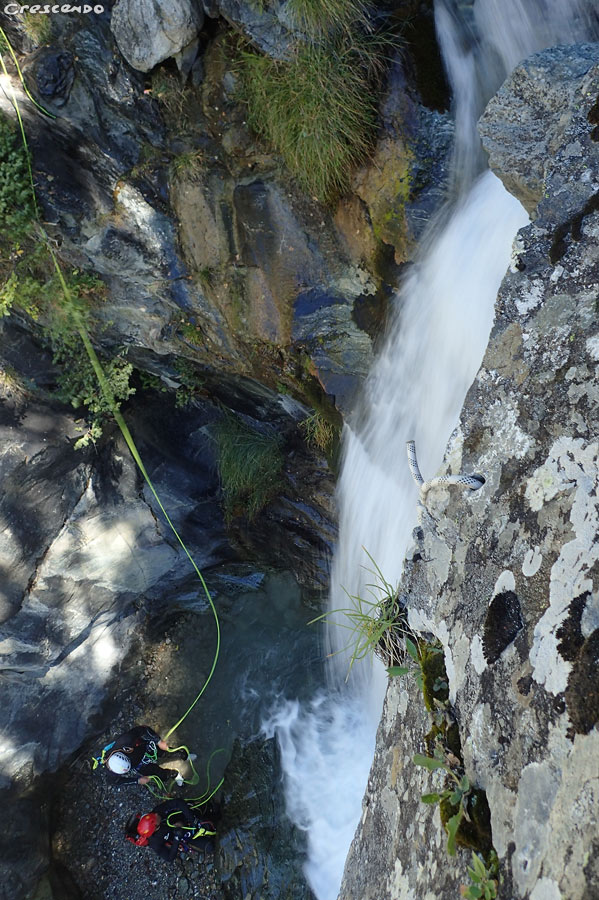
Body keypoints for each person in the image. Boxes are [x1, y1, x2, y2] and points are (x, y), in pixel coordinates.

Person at [94, 724, 193, 787]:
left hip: (143, 747)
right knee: (159, 774)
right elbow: (117, 782)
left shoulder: (125, 741)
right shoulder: (111, 773)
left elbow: (142, 729)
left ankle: (185, 756)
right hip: (138, 765)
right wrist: (137, 781)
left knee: (166, 752)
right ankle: (175, 775)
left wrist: (158, 741)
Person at [125, 799, 217, 862]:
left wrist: (192, 820)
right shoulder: (155, 842)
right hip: (183, 836)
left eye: (154, 815)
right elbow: (169, 857)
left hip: (185, 818)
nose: (156, 815)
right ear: (156, 827)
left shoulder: (157, 811)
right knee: (210, 847)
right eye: (155, 817)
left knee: (209, 810)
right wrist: (177, 838)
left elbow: (178, 802)